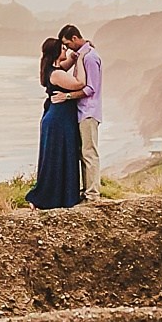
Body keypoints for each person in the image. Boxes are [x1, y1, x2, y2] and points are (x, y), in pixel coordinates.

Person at [28, 36, 86, 209]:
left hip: (57, 118)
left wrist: (74, 57)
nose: (66, 50)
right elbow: (80, 83)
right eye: (63, 48)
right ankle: (49, 197)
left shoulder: (53, 69)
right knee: (59, 156)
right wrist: (81, 60)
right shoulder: (57, 74)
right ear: (56, 52)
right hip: (59, 120)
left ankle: (58, 196)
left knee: (59, 156)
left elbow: (65, 63)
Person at [59, 23, 105, 202]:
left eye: (68, 44)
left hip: (89, 111)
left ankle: (93, 194)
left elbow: (90, 88)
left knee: (89, 153)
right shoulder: (82, 55)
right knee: (83, 152)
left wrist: (67, 96)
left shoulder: (90, 58)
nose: (67, 48)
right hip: (82, 111)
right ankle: (86, 191)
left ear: (75, 39)